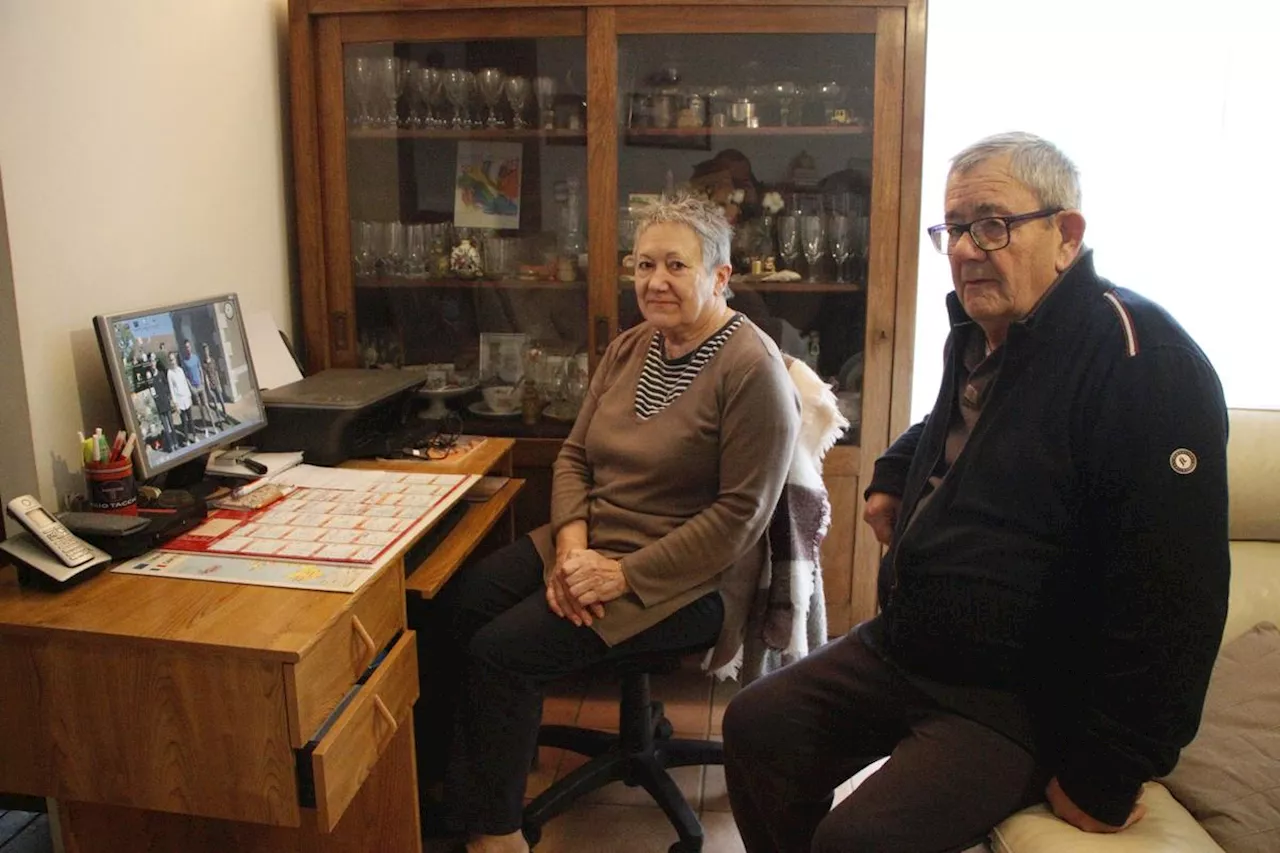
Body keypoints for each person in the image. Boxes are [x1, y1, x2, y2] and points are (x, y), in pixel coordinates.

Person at [721, 132, 1230, 853]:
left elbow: (1180, 594)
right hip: (910, 646)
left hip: (1016, 696)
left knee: (858, 839)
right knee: (756, 726)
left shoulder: (1144, 363)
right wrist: (895, 470)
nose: (965, 248)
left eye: (992, 223)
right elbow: (963, 416)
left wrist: (1109, 771)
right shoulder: (988, 328)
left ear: (1067, 234)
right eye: (954, 228)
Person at [426, 192, 800, 853]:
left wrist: (620, 573)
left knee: (503, 652)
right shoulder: (632, 347)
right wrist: (572, 547)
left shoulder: (752, 369)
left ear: (720, 276)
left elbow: (740, 519)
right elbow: (574, 454)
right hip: (592, 543)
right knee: (456, 604)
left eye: (677, 266)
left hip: (686, 579)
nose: (655, 281)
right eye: (643, 263)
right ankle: (449, 789)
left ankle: (496, 831)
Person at [180, 339, 212, 435]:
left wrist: (202, 381)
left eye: (189, 346)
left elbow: (200, 369)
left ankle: (213, 426)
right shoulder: (184, 362)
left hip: (201, 386)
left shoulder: (196, 357)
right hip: (194, 388)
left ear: (190, 347)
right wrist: (191, 388)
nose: (188, 349)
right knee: (200, 408)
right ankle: (205, 428)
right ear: (185, 349)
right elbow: (186, 377)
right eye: (186, 347)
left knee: (206, 406)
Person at [166, 352, 195, 446]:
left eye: (173, 359)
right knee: (184, 422)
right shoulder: (169, 373)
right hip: (179, 401)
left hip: (186, 398)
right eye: (170, 360)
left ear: (176, 359)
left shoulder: (180, 370)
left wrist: (190, 396)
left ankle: (195, 436)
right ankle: (187, 441)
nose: (172, 361)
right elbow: (171, 390)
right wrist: (176, 404)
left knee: (191, 419)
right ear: (169, 361)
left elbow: (185, 384)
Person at [200, 342, 230, 426]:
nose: (206, 352)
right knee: (216, 405)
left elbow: (216, 373)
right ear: (203, 352)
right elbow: (205, 377)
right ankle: (219, 421)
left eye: (206, 350)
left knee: (222, 402)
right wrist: (209, 390)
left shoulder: (212, 360)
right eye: (204, 350)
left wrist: (219, 385)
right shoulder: (203, 364)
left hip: (216, 385)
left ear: (208, 351)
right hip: (211, 387)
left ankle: (226, 417)